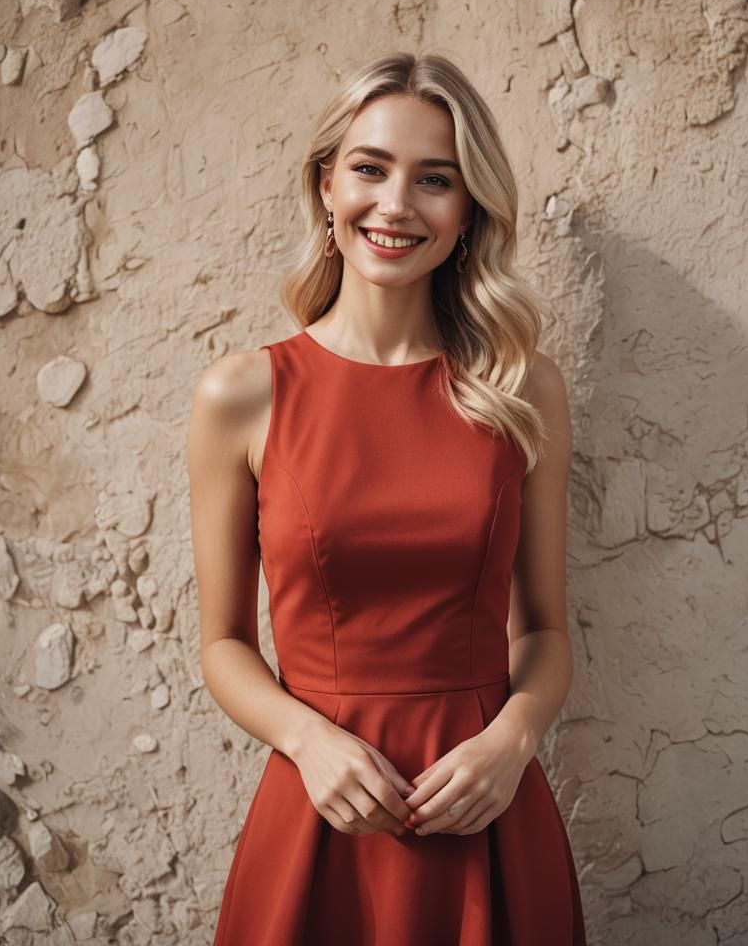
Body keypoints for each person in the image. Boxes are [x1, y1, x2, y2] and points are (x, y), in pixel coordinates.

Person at [187, 50, 588, 945]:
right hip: (320, 812)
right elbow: (221, 644)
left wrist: (512, 742)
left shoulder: (524, 390)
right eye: (370, 168)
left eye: (435, 179)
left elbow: (547, 632)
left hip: (487, 812)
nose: (397, 204)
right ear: (327, 186)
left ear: (469, 208)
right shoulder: (241, 395)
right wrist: (307, 740)